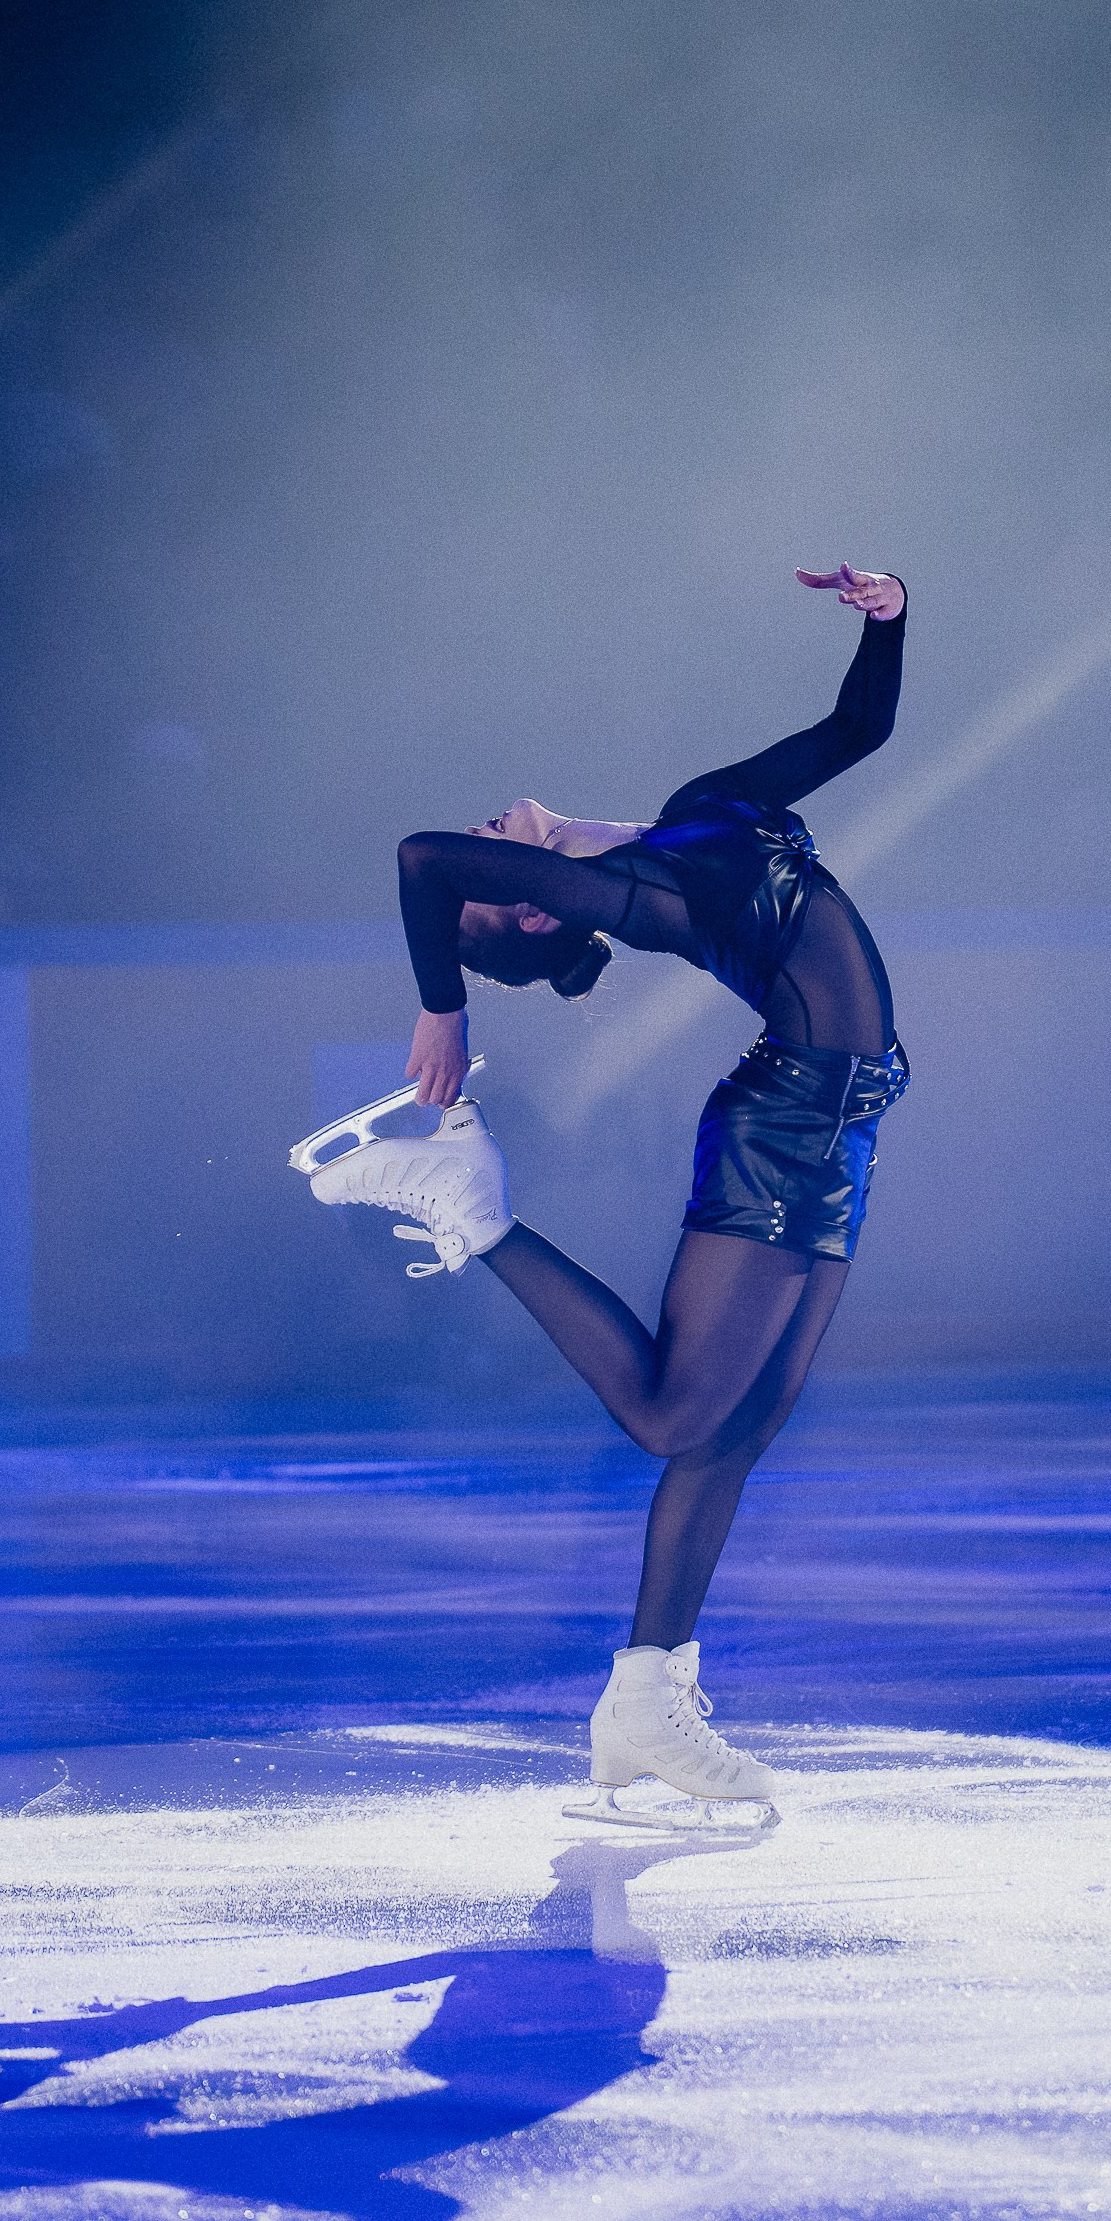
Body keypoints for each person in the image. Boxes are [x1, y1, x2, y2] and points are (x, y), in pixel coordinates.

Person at [305, 563, 909, 1825]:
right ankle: (476, 1212)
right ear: (529, 915)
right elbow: (422, 858)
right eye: (497, 876)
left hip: (841, 1129)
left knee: (740, 1429)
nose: (494, 824)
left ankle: (648, 1701)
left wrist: (889, 616)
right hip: (785, 1126)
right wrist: (440, 1007)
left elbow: (862, 730)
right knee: (670, 1415)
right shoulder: (645, 898)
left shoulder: (700, 815)